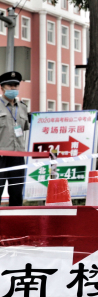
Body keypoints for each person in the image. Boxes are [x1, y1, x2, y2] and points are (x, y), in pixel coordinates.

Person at [0, 71, 30, 206]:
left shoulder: (23, 108)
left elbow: (25, 129)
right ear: (2, 88)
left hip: (18, 156)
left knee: (17, 193)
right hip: (1, 155)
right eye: (9, 86)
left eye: (15, 86)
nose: (13, 89)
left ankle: (16, 224)